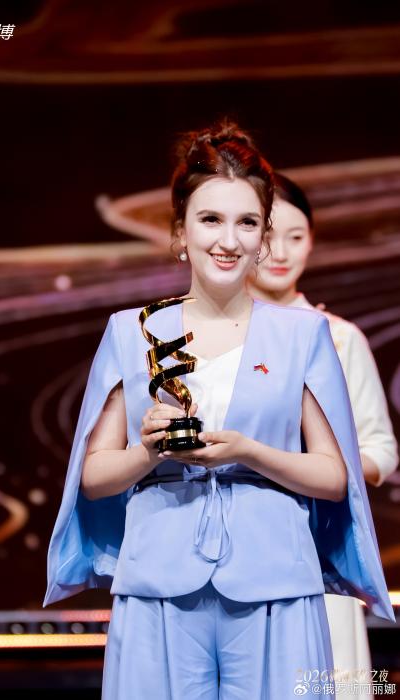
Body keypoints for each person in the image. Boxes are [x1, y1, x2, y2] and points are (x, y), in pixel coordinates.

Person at [44, 120, 395, 699]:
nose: (228, 240)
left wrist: (250, 452)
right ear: (180, 231)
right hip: (158, 580)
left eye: (247, 223)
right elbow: (94, 475)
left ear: (263, 237)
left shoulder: (304, 335)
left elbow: (336, 477)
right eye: (210, 219)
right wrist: (147, 452)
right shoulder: (133, 331)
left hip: (276, 582)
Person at [247, 172, 399, 692]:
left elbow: (382, 450)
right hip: (237, 553)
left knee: (323, 684)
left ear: (312, 241)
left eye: (297, 236)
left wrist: (320, 468)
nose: (282, 252)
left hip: (320, 555)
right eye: (269, 236)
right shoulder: (212, 338)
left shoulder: (339, 338)